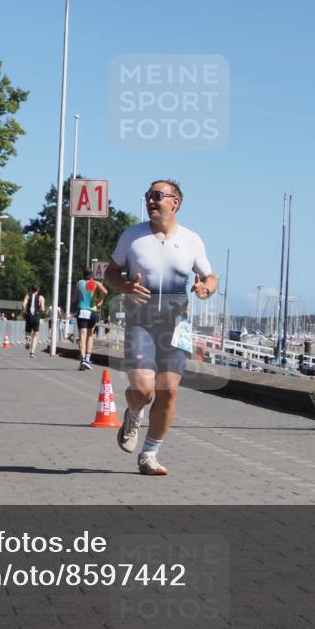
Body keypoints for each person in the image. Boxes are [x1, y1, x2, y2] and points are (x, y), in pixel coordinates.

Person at [104, 179, 218, 476]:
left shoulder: (192, 240)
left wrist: (205, 288)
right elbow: (111, 273)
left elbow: (210, 276)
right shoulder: (132, 236)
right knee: (143, 390)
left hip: (176, 324)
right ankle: (133, 413)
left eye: (157, 196)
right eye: (147, 196)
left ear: (174, 202)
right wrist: (125, 285)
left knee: (168, 392)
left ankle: (149, 454)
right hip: (140, 322)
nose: (150, 201)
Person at [73, 269, 108, 370]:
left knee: (82, 336)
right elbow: (105, 292)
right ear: (92, 276)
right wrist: (99, 300)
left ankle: (83, 360)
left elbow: (74, 299)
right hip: (92, 312)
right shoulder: (95, 283)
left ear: (83, 275)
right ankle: (88, 359)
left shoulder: (79, 283)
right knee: (90, 336)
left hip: (82, 311)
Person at [22, 285, 46, 358]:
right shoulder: (41, 298)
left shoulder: (27, 296)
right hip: (36, 316)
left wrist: (24, 311)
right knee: (35, 335)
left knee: (28, 332)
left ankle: (28, 339)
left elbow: (23, 304)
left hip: (29, 316)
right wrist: (40, 310)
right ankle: (32, 352)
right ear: (38, 289)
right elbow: (42, 308)